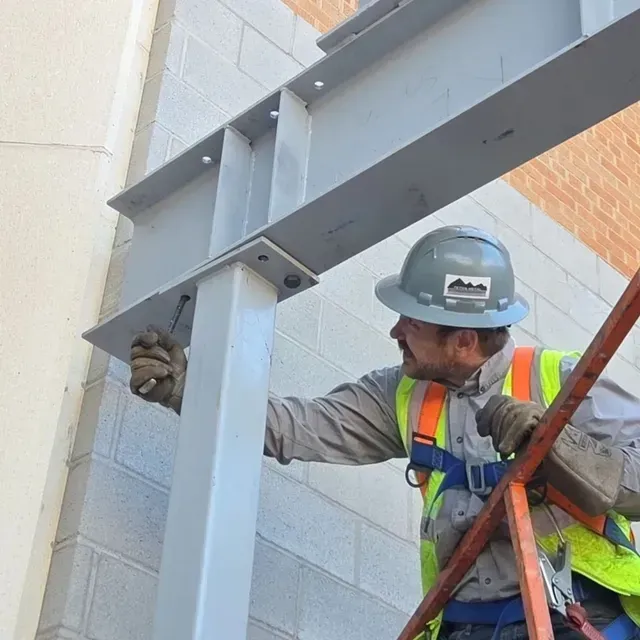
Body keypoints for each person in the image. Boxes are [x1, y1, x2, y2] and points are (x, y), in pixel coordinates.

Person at [128, 225, 640, 639]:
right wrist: (185, 390)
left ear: (462, 339)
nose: (396, 331)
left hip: (574, 614)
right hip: (464, 626)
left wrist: (558, 445)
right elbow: (294, 427)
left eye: (411, 322)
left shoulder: (566, 380)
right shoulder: (402, 395)